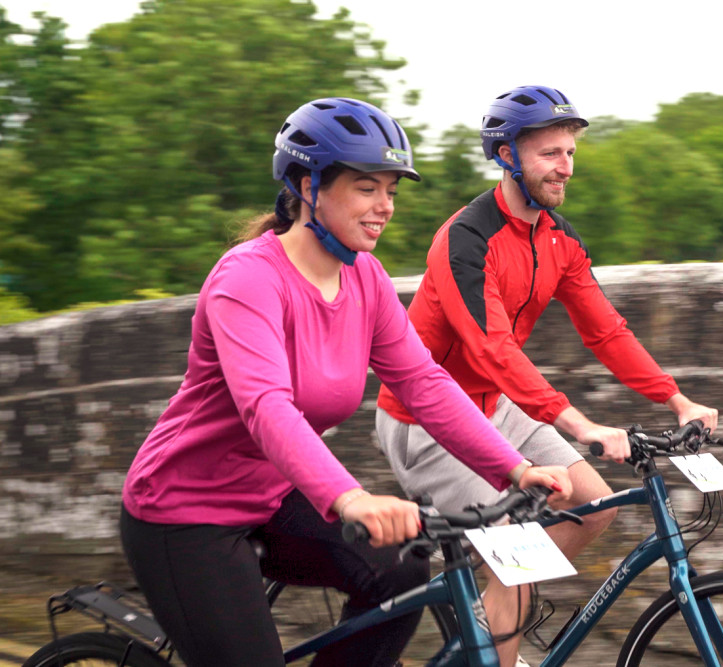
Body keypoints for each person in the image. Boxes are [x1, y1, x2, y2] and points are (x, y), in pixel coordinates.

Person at [119, 97, 572, 667]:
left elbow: (423, 384)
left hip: (272, 494)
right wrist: (350, 497)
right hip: (185, 510)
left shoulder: (366, 279)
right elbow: (266, 407)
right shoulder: (248, 279)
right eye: (366, 188)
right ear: (308, 187)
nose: (385, 206)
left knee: (403, 568)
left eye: (391, 191)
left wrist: (515, 468)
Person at [375, 85, 719, 667]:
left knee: (597, 505)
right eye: (550, 154)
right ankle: (495, 624)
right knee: (518, 553)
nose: (566, 168)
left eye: (570, 152)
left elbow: (606, 331)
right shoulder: (466, 239)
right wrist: (580, 425)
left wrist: (676, 400)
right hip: (427, 418)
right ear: (506, 155)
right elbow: (492, 348)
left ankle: (484, 618)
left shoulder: (558, 237)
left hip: (496, 406)